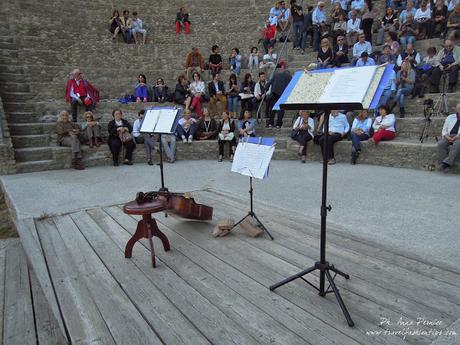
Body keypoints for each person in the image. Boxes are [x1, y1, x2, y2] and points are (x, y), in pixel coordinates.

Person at [437, 104, 460, 172]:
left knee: (457, 145)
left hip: (459, 137)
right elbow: (444, 129)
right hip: (449, 135)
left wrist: (456, 137)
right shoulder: (450, 117)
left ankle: (446, 164)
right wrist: (447, 137)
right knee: (440, 144)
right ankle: (443, 162)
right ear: (457, 110)